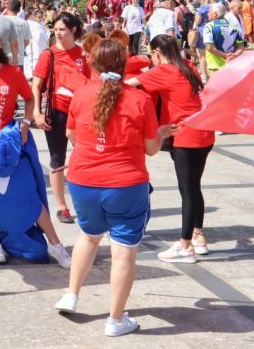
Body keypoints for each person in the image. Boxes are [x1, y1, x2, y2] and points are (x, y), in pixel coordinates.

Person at [54, 39, 173, 336]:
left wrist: (94, 150)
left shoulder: (81, 95)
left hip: (83, 180)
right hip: (125, 184)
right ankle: (116, 320)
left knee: (88, 235)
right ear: (125, 65)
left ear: (93, 64)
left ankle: (72, 294)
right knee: (123, 252)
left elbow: (71, 134)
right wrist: (160, 134)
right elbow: (150, 149)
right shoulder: (139, 99)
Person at [0, 27, 71, 267]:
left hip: (10, 143)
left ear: (0, 45)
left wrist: (27, 122)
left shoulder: (13, 73)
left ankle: (56, 245)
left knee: (28, 192)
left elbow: (30, 97)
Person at [128, 34, 212, 263]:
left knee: (187, 191)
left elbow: (127, 85)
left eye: (151, 55)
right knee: (194, 187)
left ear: (157, 52)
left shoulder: (164, 70)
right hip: (205, 133)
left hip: (186, 135)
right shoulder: (188, 66)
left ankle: (185, 246)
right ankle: (198, 236)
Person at [32, 12, 90, 224]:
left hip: (81, 113)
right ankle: (62, 207)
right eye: (55, 29)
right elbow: (36, 86)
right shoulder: (49, 54)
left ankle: (85, 202)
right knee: (57, 159)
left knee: (85, 156)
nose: (58, 33)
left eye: (62, 29)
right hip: (56, 113)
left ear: (74, 30)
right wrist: (36, 112)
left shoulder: (83, 54)